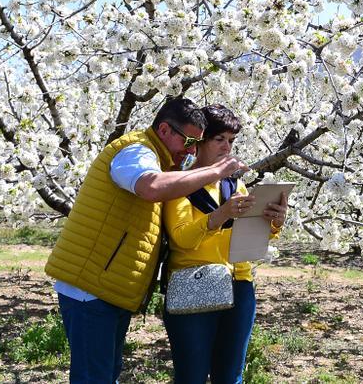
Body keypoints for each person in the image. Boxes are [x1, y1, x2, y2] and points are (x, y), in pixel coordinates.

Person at [44, 97, 244, 383]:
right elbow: (149, 187)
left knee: (105, 373)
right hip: (90, 288)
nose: (191, 150)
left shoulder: (161, 160)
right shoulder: (135, 151)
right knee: (94, 377)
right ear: (164, 130)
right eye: (188, 141)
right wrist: (213, 172)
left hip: (109, 288)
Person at [162, 104, 288, 384]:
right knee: (191, 377)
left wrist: (274, 222)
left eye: (231, 141)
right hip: (193, 282)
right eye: (219, 140)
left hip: (239, 285)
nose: (226, 147)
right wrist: (221, 214)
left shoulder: (234, 185)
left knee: (231, 377)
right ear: (199, 142)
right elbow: (182, 238)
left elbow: (250, 239)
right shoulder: (178, 181)